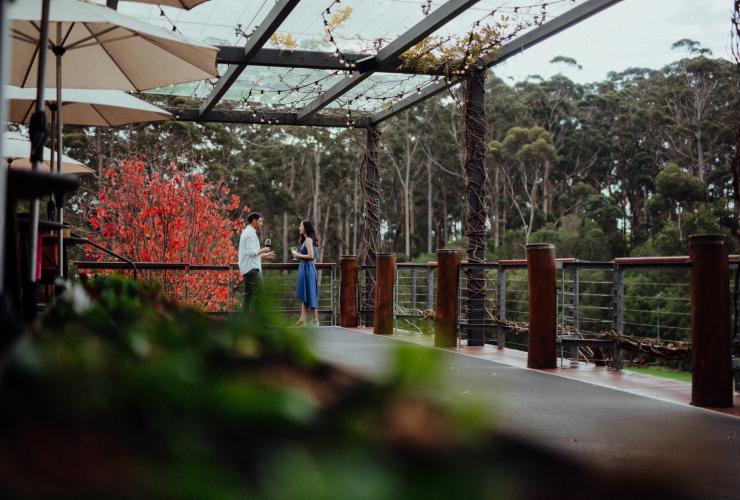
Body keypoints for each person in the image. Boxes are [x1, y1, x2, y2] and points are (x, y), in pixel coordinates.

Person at [238, 212, 274, 311]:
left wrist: (266, 255)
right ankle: (260, 320)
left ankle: (246, 321)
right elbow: (251, 252)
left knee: (248, 296)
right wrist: (264, 250)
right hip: (252, 269)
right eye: (260, 221)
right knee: (260, 294)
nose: (262, 224)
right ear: (254, 221)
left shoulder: (249, 232)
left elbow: (251, 254)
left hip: (248, 268)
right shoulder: (249, 233)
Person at [292, 220, 320, 326]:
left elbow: (311, 256)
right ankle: (302, 320)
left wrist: (297, 255)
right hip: (306, 268)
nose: (299, 228)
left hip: (307, 268)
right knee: (305, 293)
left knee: (310, 293)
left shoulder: (308, 240)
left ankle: (315, 321)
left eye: (301, 226)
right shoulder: (307, 240)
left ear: (305, 228)